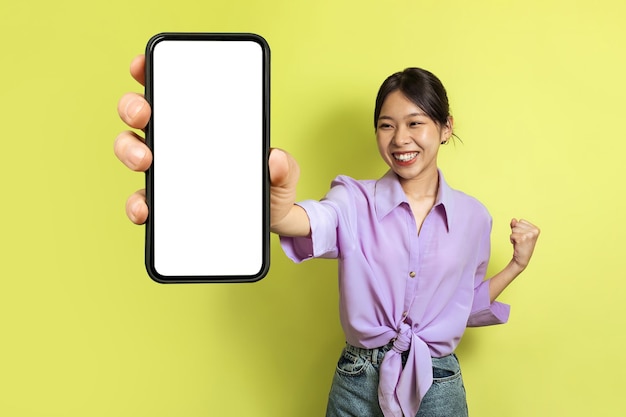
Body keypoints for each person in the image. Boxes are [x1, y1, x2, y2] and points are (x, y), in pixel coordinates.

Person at [115, 55, 540, 417]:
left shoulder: (473, 217)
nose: (400, 139)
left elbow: (464, 304)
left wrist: (518, 265)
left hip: (438, 382)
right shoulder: (353, 199)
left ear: (445, 127)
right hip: (358, 379)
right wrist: (276, 209)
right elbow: (309, 219)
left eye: (416, 123)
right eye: (386, 125)